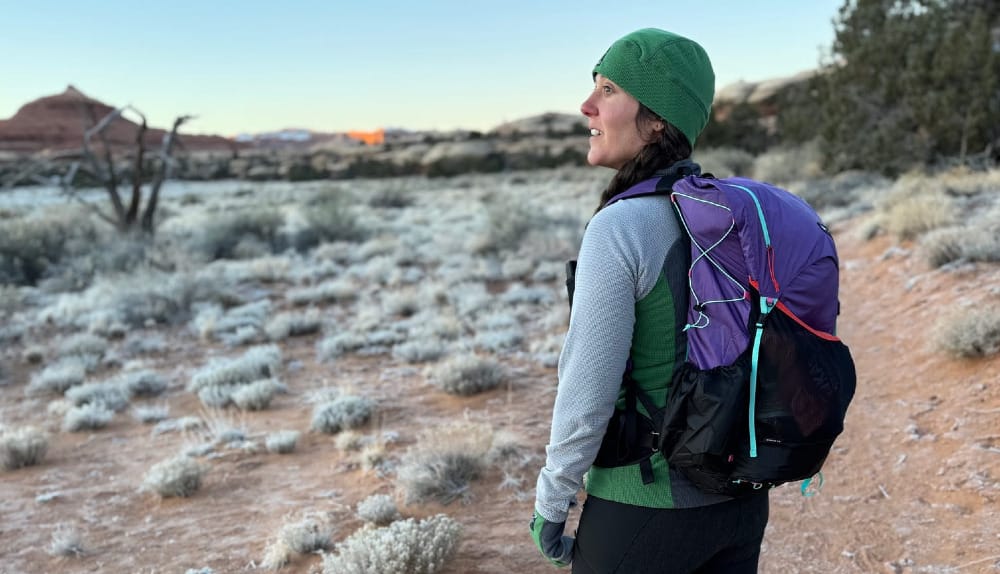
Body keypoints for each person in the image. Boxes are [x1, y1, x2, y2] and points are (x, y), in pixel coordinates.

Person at [530, 28, 770, 573]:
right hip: (740, 503)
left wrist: (553, 499)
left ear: (658, 118)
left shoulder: (622, 226)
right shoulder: (735, 215)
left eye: (609, 89)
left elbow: (588, 386)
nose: (587, 105)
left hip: (644, 507)